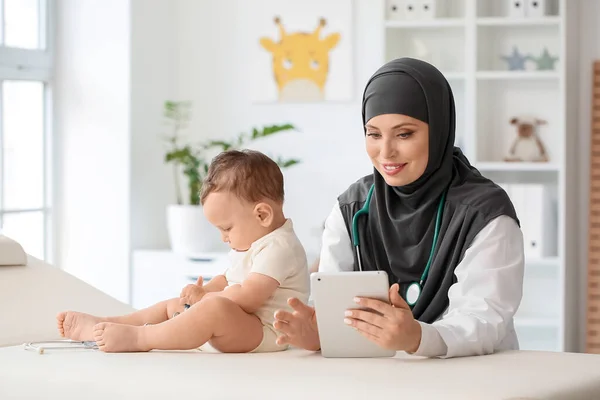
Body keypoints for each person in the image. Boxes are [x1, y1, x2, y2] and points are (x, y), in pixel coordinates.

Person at [273, 57, 525, 359]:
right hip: (377, 380)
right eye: (374, 134)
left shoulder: (485, 213)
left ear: (440, 130)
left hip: (473, 378)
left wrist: (417, 337)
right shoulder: (351, 207)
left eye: (404, 134)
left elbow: (484, 321)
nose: (386, 152)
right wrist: (320, 335)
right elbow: (336, 312)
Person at [57, 149, 310, 353]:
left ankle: (140, 338)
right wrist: (205, 290)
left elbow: (249, 297)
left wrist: (206, 300)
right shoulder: (255, 241)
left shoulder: (280, 246)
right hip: (244, 322)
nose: (223, 238)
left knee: (213, 311)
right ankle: (110, 323)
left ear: (262, 215)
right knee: (173, 305)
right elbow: (229, 279)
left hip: (267, 331)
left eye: (227, 228)